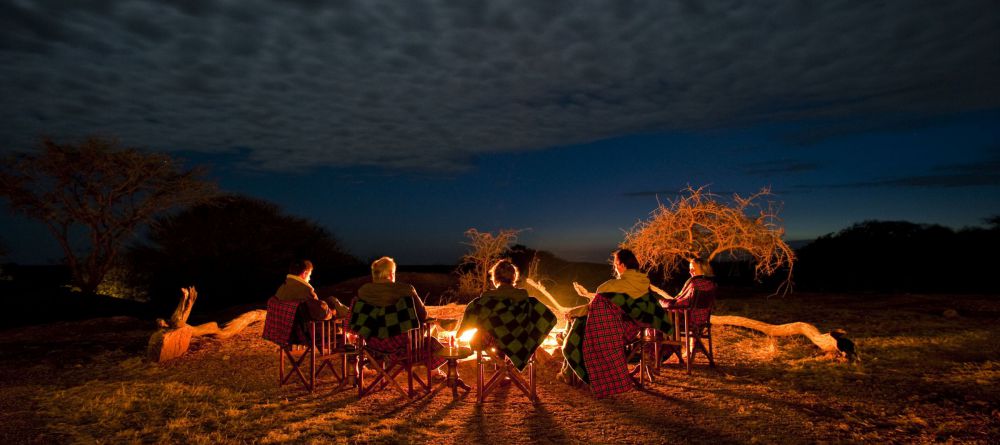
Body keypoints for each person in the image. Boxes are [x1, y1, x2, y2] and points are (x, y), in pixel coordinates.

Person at [564, 248, 649, 318]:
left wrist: (571, 312)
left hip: (614, 331)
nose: (615, 269)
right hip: (639, 329)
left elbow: (592, 308)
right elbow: (617, 299)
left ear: (622, 265)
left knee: (578, 318)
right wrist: (588, 294)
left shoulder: (610, 285)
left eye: (615, 265)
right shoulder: (646, 284)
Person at [275, 259, 349, 319]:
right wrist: (332, 312)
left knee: (331, 300)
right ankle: (353, 316)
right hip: (307, 328)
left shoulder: (282, 287)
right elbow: (322, 313)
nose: (309, 278)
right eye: (309, 275)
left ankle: (351, 313)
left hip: (287, 323)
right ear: (304, 273)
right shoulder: (306, 290)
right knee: (334, 303)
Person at [660, 258, 717, 330]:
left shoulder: (695, 284)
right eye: (690, 269)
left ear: (703, 269)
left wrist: (663, 302)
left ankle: (654, 339)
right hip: (701, 319)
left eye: (693, 269)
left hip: (688, 320)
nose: (690, 271)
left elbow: (683, 304)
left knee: (655, 315)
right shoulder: (711, 284)